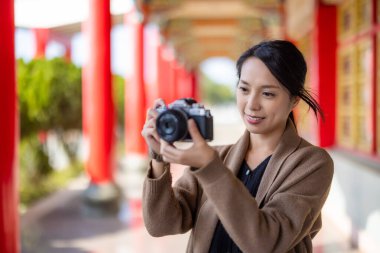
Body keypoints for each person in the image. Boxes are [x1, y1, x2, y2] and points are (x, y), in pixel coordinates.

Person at [141, 40, 334, 253]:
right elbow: (161, 225)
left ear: (294, 101)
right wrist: (158, 159)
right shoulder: (217, 156)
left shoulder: (312, 163)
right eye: (244, 89)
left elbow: (265, 242)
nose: (251, 104)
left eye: (268, 93)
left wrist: (210, 168)